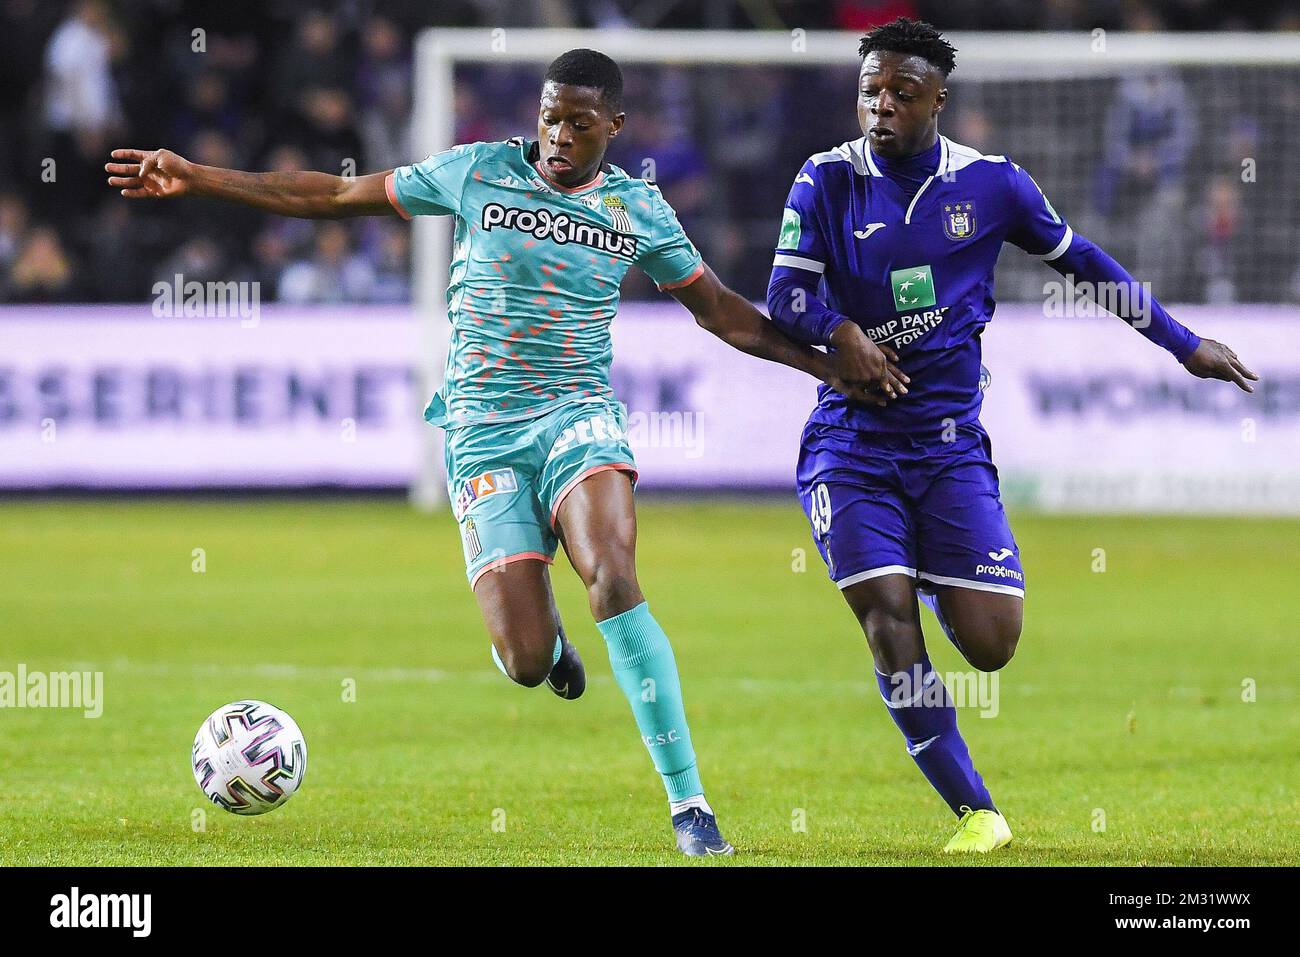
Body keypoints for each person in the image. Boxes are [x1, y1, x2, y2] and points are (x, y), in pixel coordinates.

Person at [106, 48, 896, 857]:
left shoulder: (637, 210)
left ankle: (689, 805)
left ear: (614, 128)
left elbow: (724, 312)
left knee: (615, 577)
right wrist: (199, 175)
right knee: (521, 657)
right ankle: (550, 650)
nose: (557, 135)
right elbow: (338, 193)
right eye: (549, 117)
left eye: (578, 123)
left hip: (577, 415)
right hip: (482, 429)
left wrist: (824, 366)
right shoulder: (476, 170)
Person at [766, 18, 1258, 853]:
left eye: (901, 94)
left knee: (993, 643)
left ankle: (920, 569)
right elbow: (784, 296)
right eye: (870, 91)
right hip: (849, 442)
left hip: (951, 444)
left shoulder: (993, 186)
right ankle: (977, 810)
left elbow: (1088, 265)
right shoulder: (824, 180)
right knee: (887, 618)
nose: (881, 107)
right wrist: (839, 329)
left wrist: (1185, 344)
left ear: (938, 102)